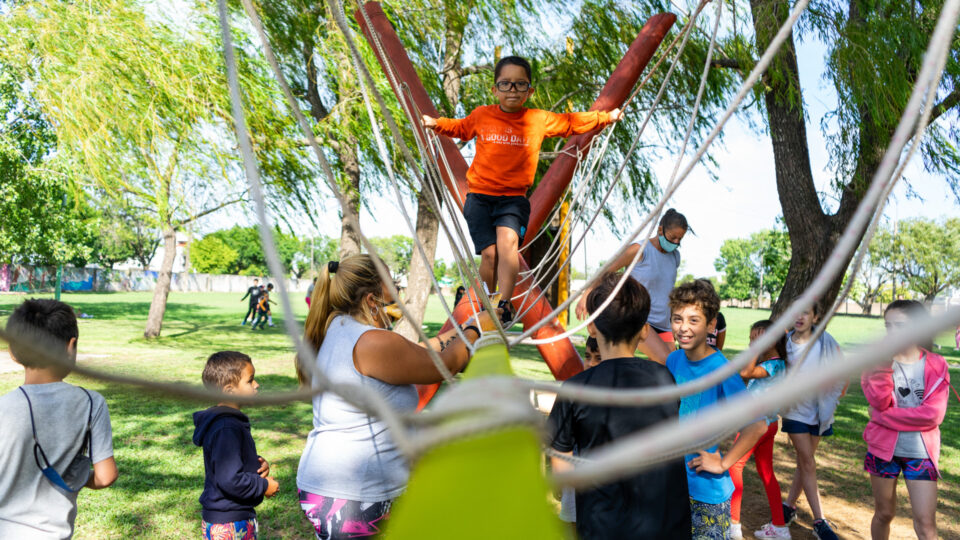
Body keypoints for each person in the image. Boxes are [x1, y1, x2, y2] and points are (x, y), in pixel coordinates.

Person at [296, 256, 495, 539]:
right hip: (353, 495)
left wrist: (465, 329)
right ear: (371, 299)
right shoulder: (372, 341)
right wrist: (478, 329)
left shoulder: (339, 329)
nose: (399, 293)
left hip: (333, 487)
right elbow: (444, 366)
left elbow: (423, 353)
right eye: (393, 286)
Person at [423, 55, 622, 325]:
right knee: (490, 254)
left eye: (519, 85)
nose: (512, 90)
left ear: (530, 91)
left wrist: (605, 118)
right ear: (494, 90)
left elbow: (571, 122)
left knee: (508, 245)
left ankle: (502, 305)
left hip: (513, 199)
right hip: (480, 197)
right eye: (505, 84)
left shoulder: (537, 119)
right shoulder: (483, 115)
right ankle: (486, 297)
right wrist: (437, 124)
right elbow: (460, 127)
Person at [548, 272, 691, 539]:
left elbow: (562, 468)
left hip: (603, 527)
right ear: (645, 330)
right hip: (666, 527)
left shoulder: (575, 390)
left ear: (591, 327)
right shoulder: (664, 380)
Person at [0, 299, 118, 538]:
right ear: (70, 346)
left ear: (13, 352)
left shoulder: (3, 406)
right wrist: (76, 473)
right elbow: (106, 476)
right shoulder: (91, 403)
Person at [665, 279, 767, 539]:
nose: (683, 328)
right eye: (677, 319)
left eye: (693, 320)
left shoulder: (722, 370)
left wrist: (723, 462)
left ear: (711, 325)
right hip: (671, 485)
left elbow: (757, 425)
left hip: (705, 493)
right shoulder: (673, 359)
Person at [862, 300, 949, 540]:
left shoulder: (936, 364)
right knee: (884, 514)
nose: (892, 332)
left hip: (920, 453)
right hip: (882, 451)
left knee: (925, 524)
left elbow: (933, 415)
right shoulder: (877, 361)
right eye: (888, 326)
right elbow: (879, 401)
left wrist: (882, 417)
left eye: (899, 325)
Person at [576, 209, 689, 365]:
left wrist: (674, 321)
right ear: (660, 229)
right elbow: (606, 270)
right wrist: (587, 293)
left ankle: (635, 386)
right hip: (639, 319)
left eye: (680, 239)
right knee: (666, 360)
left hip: (663, 324)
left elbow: (666, 291)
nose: (676, 243)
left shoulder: (675, 257)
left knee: (672, 370)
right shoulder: (639, 249)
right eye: (672, 237)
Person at [193, 351, 280, 540]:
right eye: (250, 381)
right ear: (229, 390)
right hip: (230, 523)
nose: (256, 385)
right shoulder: (227, 427)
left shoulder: (227, 423)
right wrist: (264, 485)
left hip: (230, 519)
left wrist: (256, 466)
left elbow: (230, 466)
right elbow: (230, 479)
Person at [780, 303, 846, 540]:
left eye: (805, 312)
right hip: (794, 412)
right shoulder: (784, 342)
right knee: (808, 462)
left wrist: (833, 397)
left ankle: (788, 508)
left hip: (818, 413)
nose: (799, 317)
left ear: (815, 316)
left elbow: (842, 371)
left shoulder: (825, 341)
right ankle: (820, 521)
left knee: (803, 463)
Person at [728, 320, 790, 539]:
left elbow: (746, 372)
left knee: (734, 467)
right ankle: (780, 528)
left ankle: (733, 526)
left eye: (758, 338)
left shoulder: (774, 365)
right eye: (751, 339)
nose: (752, 343)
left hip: (756, 426)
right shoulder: (774, 363)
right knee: (766, 473)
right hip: (767, 424)